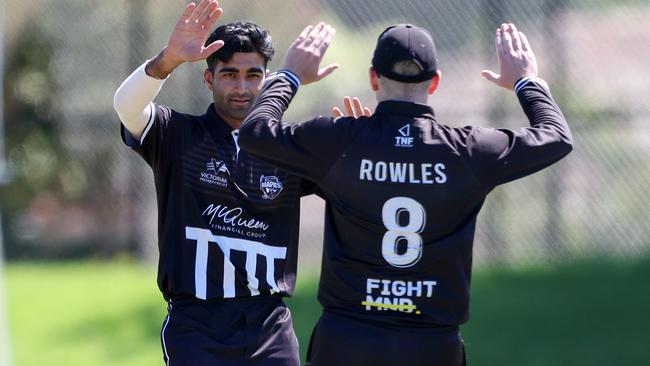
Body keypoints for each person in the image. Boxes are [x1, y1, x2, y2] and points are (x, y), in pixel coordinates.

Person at [238, 22, 573, 365]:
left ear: (373, 78)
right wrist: (526, 80)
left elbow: (255, 134)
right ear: (435, 82)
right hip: (432, 345)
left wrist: (290, 75)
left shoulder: (340, 142)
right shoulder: (468, 152)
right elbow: (556, 136)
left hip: (347, 339)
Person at [112, 1, 316, 364]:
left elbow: (354, 186)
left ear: (266, 80)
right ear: (209, 78)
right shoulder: (179, 136)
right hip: (197, 325)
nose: (241, 87)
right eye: (229, 74)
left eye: (253, 75)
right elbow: (127, 108)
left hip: (269, 325)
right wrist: (167, 61)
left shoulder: (287, 148)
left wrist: (355, 142)